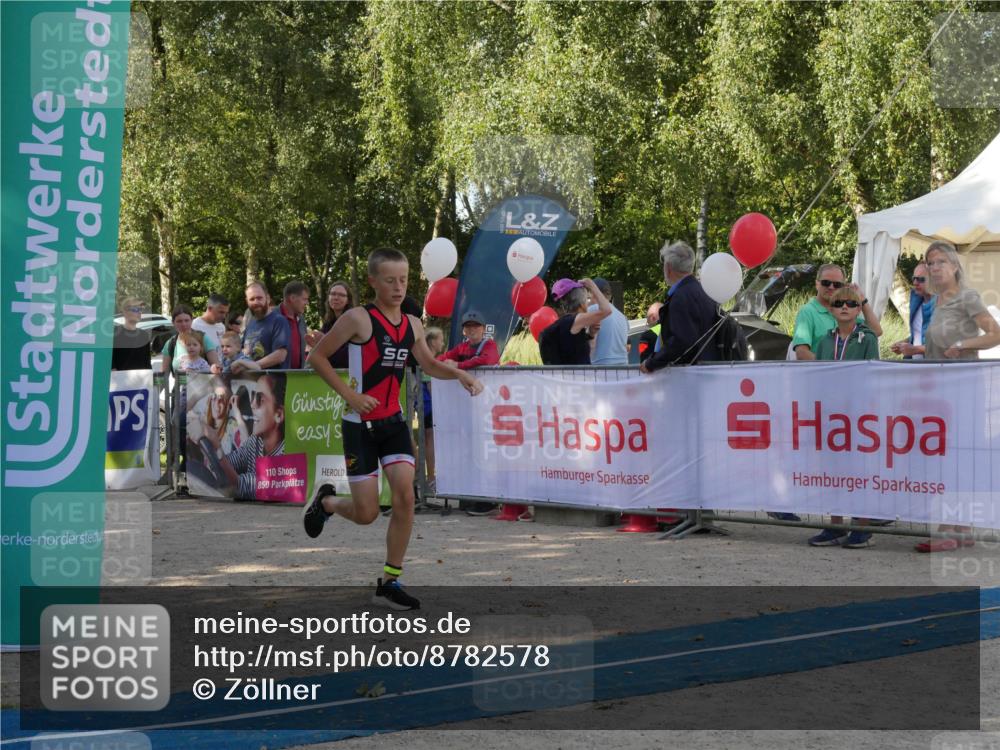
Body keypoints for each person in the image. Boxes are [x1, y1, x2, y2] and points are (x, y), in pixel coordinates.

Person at [303, 247, 484, 611]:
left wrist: (460, 373)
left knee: (404, 497)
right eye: (390, 280)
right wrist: (351, 396)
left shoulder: (414, 324)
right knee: (368, 513)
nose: (398, 287)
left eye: (403, 280)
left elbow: (429, 364)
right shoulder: (357, 319)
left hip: (395, 424)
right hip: (359, 426)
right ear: (373, 282)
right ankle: (327, 502)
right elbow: (316, 357)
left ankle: (390, 580)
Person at [892, 241, 1000, 552]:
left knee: (953, 459)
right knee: (949, 459)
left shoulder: (968, 297)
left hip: (963, 391)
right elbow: (940, 346)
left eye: (940, 262)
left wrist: (966, 344)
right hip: (938, 391)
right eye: (929, 262)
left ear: (954, 266)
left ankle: (946, 532)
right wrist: (917, 349)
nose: (933, 267)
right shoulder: (936, 302)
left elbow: (995, 333)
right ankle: (962, 530)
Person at [807, 286, 880, 549]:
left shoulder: (867, 338)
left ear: (859, 308)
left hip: (858, 415)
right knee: (832, 471)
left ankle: (861, 526)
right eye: (839, 303)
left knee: (859, 471)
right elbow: (818, 375)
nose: (845, 307)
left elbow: (873, 375)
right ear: (831, 309)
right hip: (830, 415)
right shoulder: (825, 340)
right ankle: (835, 525)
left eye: (851, 303)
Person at [438, 310, 500, 515]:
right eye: (468, 326)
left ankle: (489, 499)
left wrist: (457, 366)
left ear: (483, 329)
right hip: (469, 409)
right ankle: (472, 494)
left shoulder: (489, 345)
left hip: (489, 407)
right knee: (470, 450)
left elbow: (487, 360)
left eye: (476, 326)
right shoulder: (463, 347)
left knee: (486, 451)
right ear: (464, 330)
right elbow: (444, 358)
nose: (472, 330)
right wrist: (442, 363)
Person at [641, 241, 721, 372]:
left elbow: (681, 341)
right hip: (705, 371)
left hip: (690, 377)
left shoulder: (681, 297)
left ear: (668, 267)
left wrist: (652, 363)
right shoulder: (703, 292)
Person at [216, 372, 287, 499]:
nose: (252, 404)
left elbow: (241, 486)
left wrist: (215, 447)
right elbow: (231, 462)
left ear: (278, 415)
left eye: (260, 399)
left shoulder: (285, 453)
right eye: (253, 396)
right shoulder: (255, 441)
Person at [791, 263, 882, 360]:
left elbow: (876, 331)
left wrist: (862, 299)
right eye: (826, 283)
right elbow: (801, 353)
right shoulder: (807, 311)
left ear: (843, 287)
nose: (831, 287)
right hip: (821, 373)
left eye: (837, 284)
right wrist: (832, 369)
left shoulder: (846, 309)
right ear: (817, 284)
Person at [538, 278, 611, 365]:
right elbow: (607, 310)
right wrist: (592, 286)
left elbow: (578, 353)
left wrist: (591, 334)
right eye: (586, 300)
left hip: (568, 376)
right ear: (582, 304)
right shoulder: (575, 320)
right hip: (579, 377)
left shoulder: (564, 323)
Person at [236, 281, 290, 373]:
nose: (256, 302)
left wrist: (251, 366)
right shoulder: (250, 324)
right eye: (252, 299)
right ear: (247, 302)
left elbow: (280, 355)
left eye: (259, 298)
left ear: (268, 298)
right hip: (250, 382)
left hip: (272, 382)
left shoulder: (279, 321)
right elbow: (242, 352)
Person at [891, 262, 936, 359]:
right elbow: (918, 335)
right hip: (915, 368)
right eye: (914, 278)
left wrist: (915, 350)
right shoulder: (916, 301)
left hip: (935, 368)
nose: (915, 283)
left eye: (921, 279)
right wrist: (904, 343)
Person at [161, 304, 222, 375]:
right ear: (173, 323)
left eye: (186, 320)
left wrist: (215, 368)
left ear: (192, 320)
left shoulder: (203, 338)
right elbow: (164, 375)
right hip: (180, 385)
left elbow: (217, 367)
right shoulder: (170, 344)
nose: (183, 324)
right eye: (179, 321)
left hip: (202, 384)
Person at [420, 327, 445, 495]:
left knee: (429, 439)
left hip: (425, 403)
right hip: (428, 404)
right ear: (432, 341)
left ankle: (429, 477)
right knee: (430, 439)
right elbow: (430, 385)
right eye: (441, 339)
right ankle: (431, 478)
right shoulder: (428, 359)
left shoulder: (426, 358)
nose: (443, 343)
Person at [307, 280, 354, 368]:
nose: (336, 297)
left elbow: (348, 358)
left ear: (348, 300)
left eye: (341, 295)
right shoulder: (328, 324)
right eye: (333, 294)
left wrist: (323, 342)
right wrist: (315, 346)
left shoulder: (352, 323)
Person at [587, 278, 629, 365]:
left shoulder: (594, 310)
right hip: (623, 368)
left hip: (601, 368)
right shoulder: (622, 317)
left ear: (593, 293)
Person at [111, 298, 152, 371]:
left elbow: (147, 363)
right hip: (119, 379)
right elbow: (110, 361)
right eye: (135, 309)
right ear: (125, 312)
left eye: (140, 309)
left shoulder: (144, 335)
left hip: (141, 379)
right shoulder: (114, 333)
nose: (139, 312)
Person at [278, 281, 310, 369]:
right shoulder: (272, 318)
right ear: (292, 298)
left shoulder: (301, 319)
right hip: (276, 378)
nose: (307, 303)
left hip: (297, 377)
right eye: (304, 299)